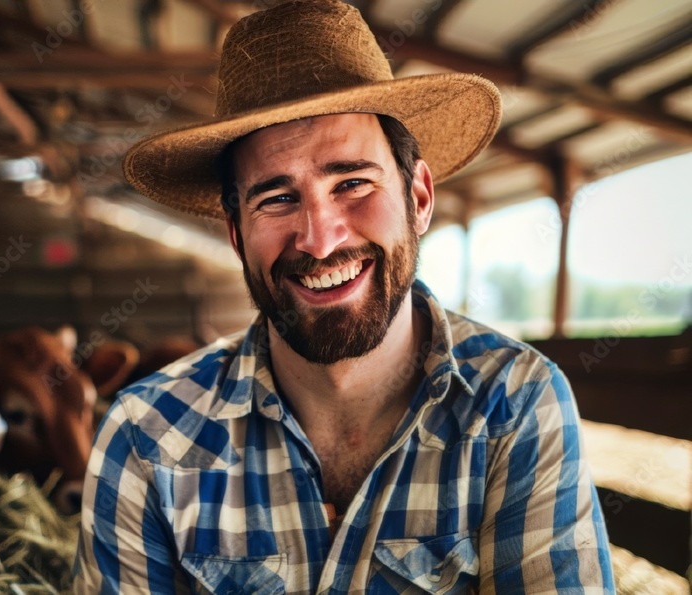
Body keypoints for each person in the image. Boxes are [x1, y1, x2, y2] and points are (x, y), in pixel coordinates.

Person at [73, 1, 615, 592]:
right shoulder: (145, 437)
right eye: (276, 199)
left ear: (419, 198)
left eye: (353, 182)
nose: (321, 238)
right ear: (236, 235)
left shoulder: (514, 404)